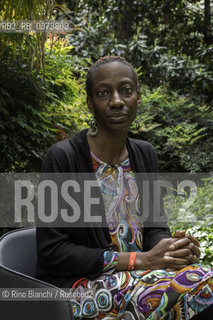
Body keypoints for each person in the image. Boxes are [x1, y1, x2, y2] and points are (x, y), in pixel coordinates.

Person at [36, 56, 213, 319]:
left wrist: (169, 247)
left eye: (126, 90)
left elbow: (154, 228)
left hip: (141, 276)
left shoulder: (144, 154)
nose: (117, 101)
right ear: (90, 104)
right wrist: (137, 260)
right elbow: (52, 251)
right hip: (78, 287)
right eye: (104, 93)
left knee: (204, 280)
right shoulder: (64, 158)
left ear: (138, 98)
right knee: (191, 287)